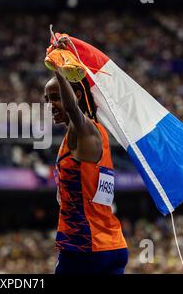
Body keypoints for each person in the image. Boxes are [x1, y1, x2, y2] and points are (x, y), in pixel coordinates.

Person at [44, 69, 128, 274]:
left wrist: (59, 68)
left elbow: (72, 108)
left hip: (82, 246)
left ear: (77, 95)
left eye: (55, 98)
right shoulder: (97, 133)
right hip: (113, 245)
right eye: (47, 100)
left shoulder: (81, 130)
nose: (50, 105)